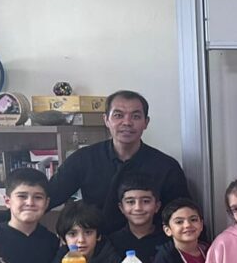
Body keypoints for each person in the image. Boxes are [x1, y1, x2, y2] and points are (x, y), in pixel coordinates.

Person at [47, 90, 191, 235]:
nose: (127, 122)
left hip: (150, 244)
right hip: (97, 243)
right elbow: (49, 197)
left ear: (146, 122)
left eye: (135, 116)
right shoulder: (83, 159)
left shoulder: (166, 167)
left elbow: (183, 215)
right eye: (118, 115)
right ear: (106, 120)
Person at [52, 201, 122, 263]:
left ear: (98, 236)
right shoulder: (59, 262)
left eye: (88, 232)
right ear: (63, 239)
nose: (81, 240)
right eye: (72, 234)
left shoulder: (111, 258)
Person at [106, 173, 169, 263]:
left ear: (157, 206)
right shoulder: (111, 243)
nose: (138, 208)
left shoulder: (168, 240)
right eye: (131, 202)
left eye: (146, 201)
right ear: (121, 208)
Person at [152, 199, 210, 263]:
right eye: (179, 222)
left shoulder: (211, 250)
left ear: (201, 225)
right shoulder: (165, 257)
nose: (187, 225)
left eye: (193, 220)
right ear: (167, 230)